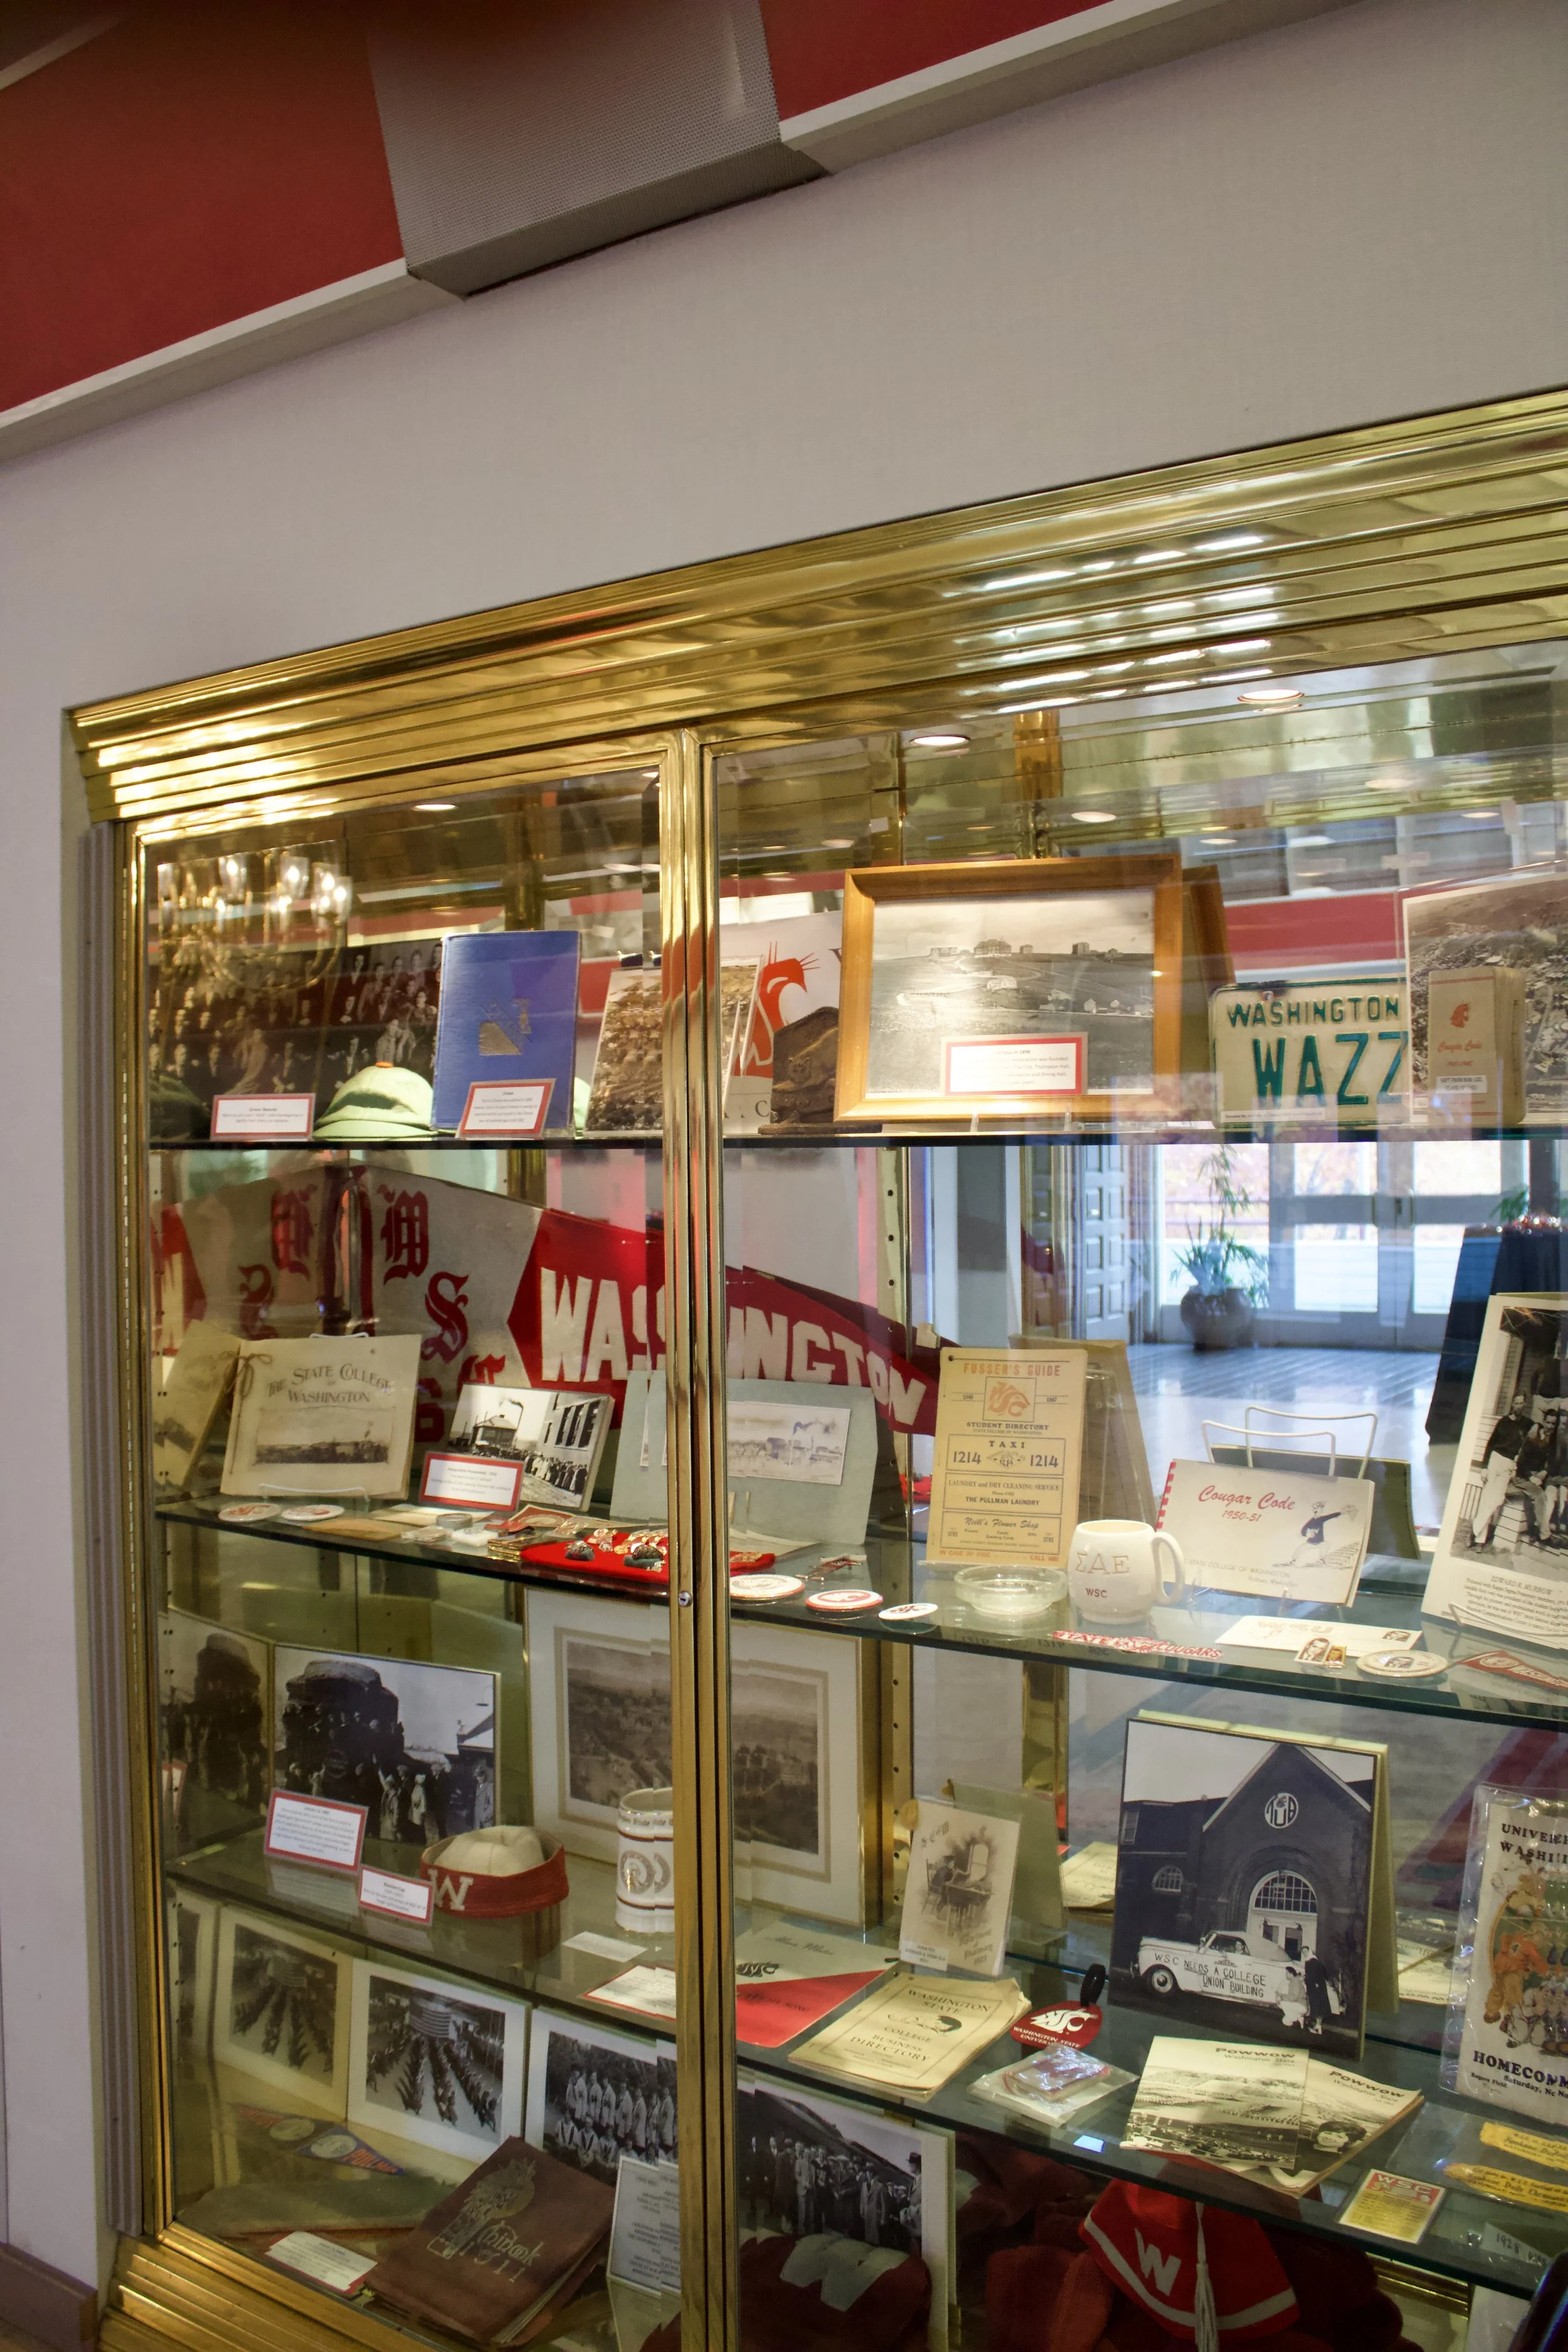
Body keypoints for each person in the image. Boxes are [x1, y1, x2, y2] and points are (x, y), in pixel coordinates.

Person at [1477, 1393, 1534, 1547]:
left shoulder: (1528, 1424)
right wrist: (1484, 1467)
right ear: (1512, 1405)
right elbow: (1490, 1444)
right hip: (1495, 1459)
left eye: (1522, 1403)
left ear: (1525, 1405)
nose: (1519, 1406)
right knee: (1487, 1498)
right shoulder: (1503, 1422)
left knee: (1497, 1499)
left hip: (1508, 1463)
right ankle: (1479, 1541)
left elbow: (1535, 1439)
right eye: (1517, 1403)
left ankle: (1475, 1528)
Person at [1303, 1949, 1333, 2038]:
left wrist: (1308, 1980)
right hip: (1317, 1987)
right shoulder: (1311, 1961)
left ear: (1309, 1951)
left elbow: (1314, 1975)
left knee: (1318, 2007)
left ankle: (1318, 2027)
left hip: (1316, 1988)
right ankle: (1318, 2025)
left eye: (1306, 1951)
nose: (1305, 1953)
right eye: (1303, 1952)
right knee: (1319, 2007)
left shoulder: (1313, 1962)